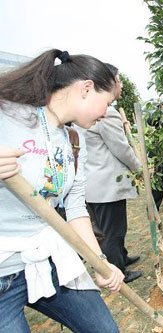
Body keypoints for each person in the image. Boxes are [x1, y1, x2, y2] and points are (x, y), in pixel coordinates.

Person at [0, 49, 123, 332]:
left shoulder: (73, 139)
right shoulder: (8, 114)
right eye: (107, 103)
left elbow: (76, 207)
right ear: (86, 88)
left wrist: (100, 261)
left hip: (48, 262)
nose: (106, 112)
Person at [84, 64, 143, 284]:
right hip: (107, 186)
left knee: (110, 228)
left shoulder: (90, 111)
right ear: (110, 83)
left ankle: (122, 257)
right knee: (112, 231)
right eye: (119, 80)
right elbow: (121, 148)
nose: (122, 84)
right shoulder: (106, 114)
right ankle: (118, 270)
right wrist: (140, 169)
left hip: (95, 184)